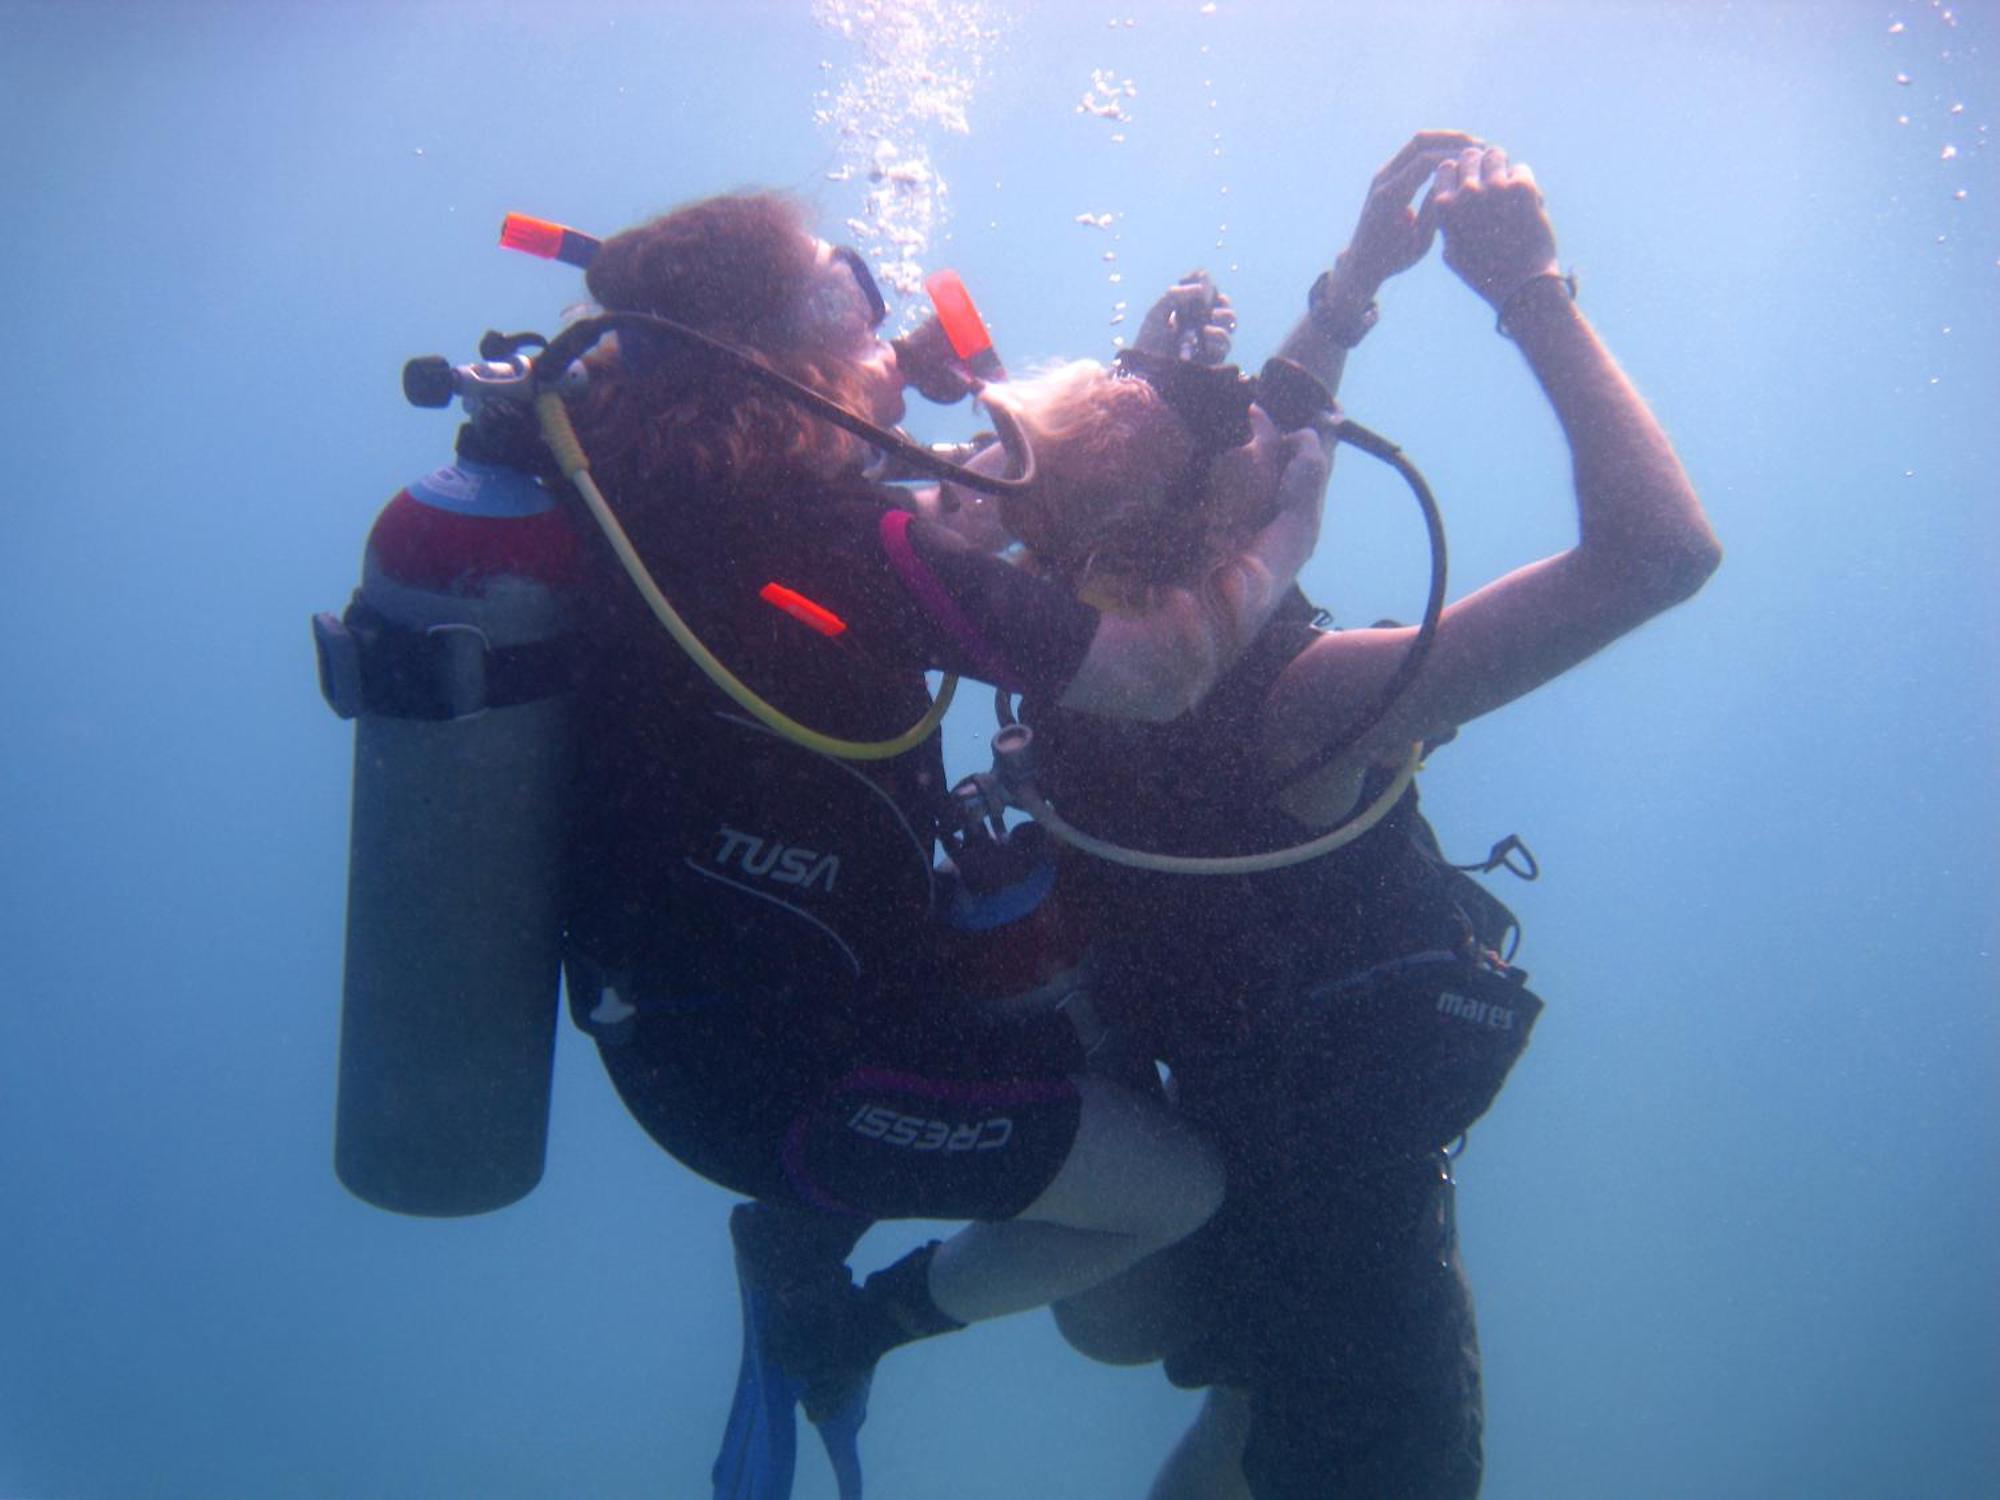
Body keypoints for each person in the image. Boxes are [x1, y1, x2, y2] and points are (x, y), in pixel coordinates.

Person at [944, 134, 1719, 1497]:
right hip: (1352, 1217)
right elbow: (1659, 556)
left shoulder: (1072, 668)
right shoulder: (1301, 705)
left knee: (1248, 1428)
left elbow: (1246, 450)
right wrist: (1530, 286)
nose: (1274, 416)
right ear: (1220, 521)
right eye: (1230, 423)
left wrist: (1358, 280)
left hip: (1213, 1154)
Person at [547, 190, 1344, 1488]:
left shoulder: (644, 494)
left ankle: (811, 1230)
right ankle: (844, 1322)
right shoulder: (846, 536)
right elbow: (1153, 670)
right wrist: (1292, 524)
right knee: (1175, 1192)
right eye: (840, 297)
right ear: (766, 350)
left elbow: (979, 516)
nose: (883, 317)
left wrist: (1123, 376)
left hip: (715, 1010)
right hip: (779, 1086)